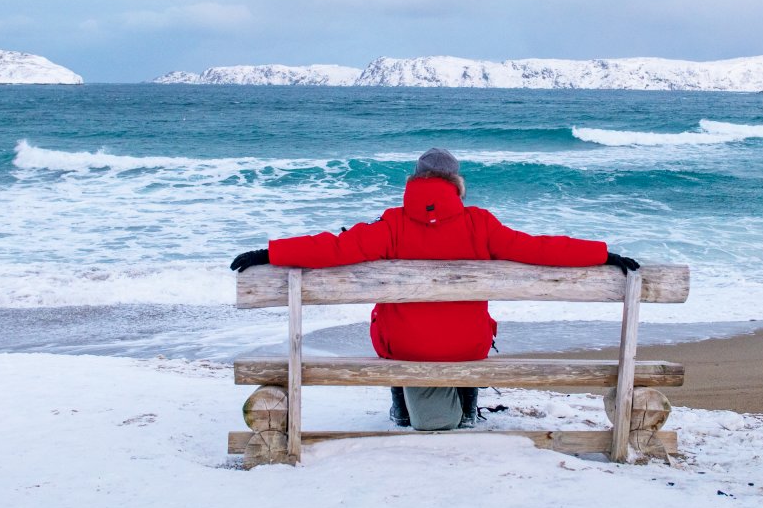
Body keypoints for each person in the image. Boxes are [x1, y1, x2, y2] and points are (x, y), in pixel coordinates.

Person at [229, 148, 640, 431]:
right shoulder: (480, 223)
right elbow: (540, 248)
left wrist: (271, 252)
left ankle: (402, 404)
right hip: (469, 346)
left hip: (404, 347)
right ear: (456, 184)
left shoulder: (389, 224)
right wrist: (602, 255)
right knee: (469, 328)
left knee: (389, 324)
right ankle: (467, 404)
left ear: (416, 181)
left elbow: (333, 248)